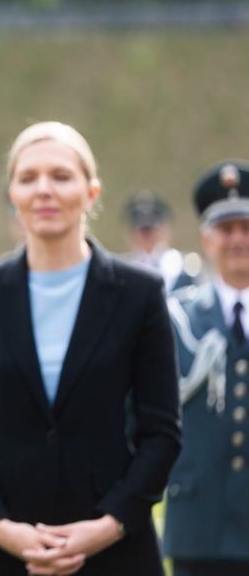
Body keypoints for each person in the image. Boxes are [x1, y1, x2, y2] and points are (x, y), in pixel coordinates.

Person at [0, 122, 181, 575]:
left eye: (60, 176)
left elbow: (163, 434)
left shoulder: (140, 294)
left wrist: (109, 525)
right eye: (28, 177)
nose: (44, 190)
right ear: (13, 194)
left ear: (91, 192)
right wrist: (0, 527)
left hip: (114, 551)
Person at [163, 161, 249, 576]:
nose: (237, 239)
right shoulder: (177, 318)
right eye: (226, 229)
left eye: (246, 228)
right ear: (206, 238)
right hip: (198, 522)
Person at [124, 189, 203, 291]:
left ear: (165, 229)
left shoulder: (184, 267)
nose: (148, 236)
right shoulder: (123, 270)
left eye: (151, 230)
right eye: (143, 231)